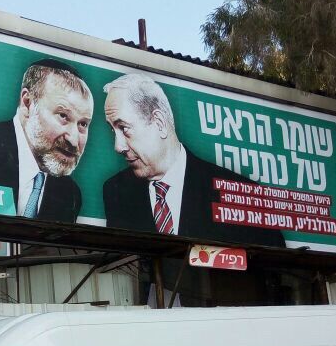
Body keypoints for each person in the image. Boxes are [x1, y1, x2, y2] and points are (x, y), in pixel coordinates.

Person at [101, 73, 285, 247]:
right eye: (112, 130)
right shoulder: (116, 190)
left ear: (159, 122)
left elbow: (274, 264)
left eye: (124, 128)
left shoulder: (243, 195)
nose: (118, 146)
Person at [0, 59, 93, 222]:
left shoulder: (69, 194)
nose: (73, 140)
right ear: (27, 103)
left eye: (83, 124)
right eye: (63, 116)